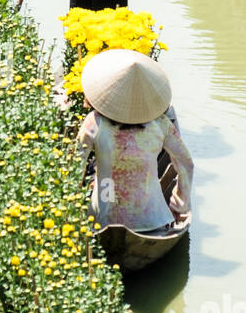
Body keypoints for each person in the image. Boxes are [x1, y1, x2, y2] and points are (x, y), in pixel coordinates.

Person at [76, 48, 194, 234]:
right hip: (153, 218)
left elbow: (75, 166)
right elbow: (186, 164)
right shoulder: (161, 125)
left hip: (104, 219)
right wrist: (180, 204)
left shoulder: (94, 122)